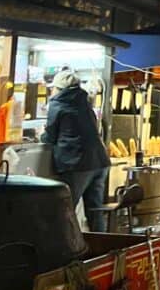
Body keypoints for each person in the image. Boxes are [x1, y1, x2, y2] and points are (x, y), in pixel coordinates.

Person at [43, 69, 110, 231]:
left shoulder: (57, 103)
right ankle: (100, 249)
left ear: (59, 88)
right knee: (95, 212)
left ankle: (67, 251)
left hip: (77, 164)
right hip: (100, 161)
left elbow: (50, 136)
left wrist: (42, 137)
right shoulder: (85, 102)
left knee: (65, 211)